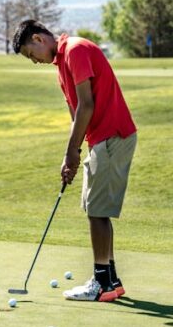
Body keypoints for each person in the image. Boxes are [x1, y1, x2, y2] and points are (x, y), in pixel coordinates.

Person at [12, 19, 138, 302]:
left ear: (38, 39)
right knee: (97, 209)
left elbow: (87, 105)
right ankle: (112, 280)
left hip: (112, 135)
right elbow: (76, 114)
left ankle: (101, 283)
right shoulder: (62, 65)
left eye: (32, 55)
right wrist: (72, 153)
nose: (35, 62)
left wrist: (72, 152)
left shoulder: (76, 50)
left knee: (96, 210)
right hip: (101, 139)